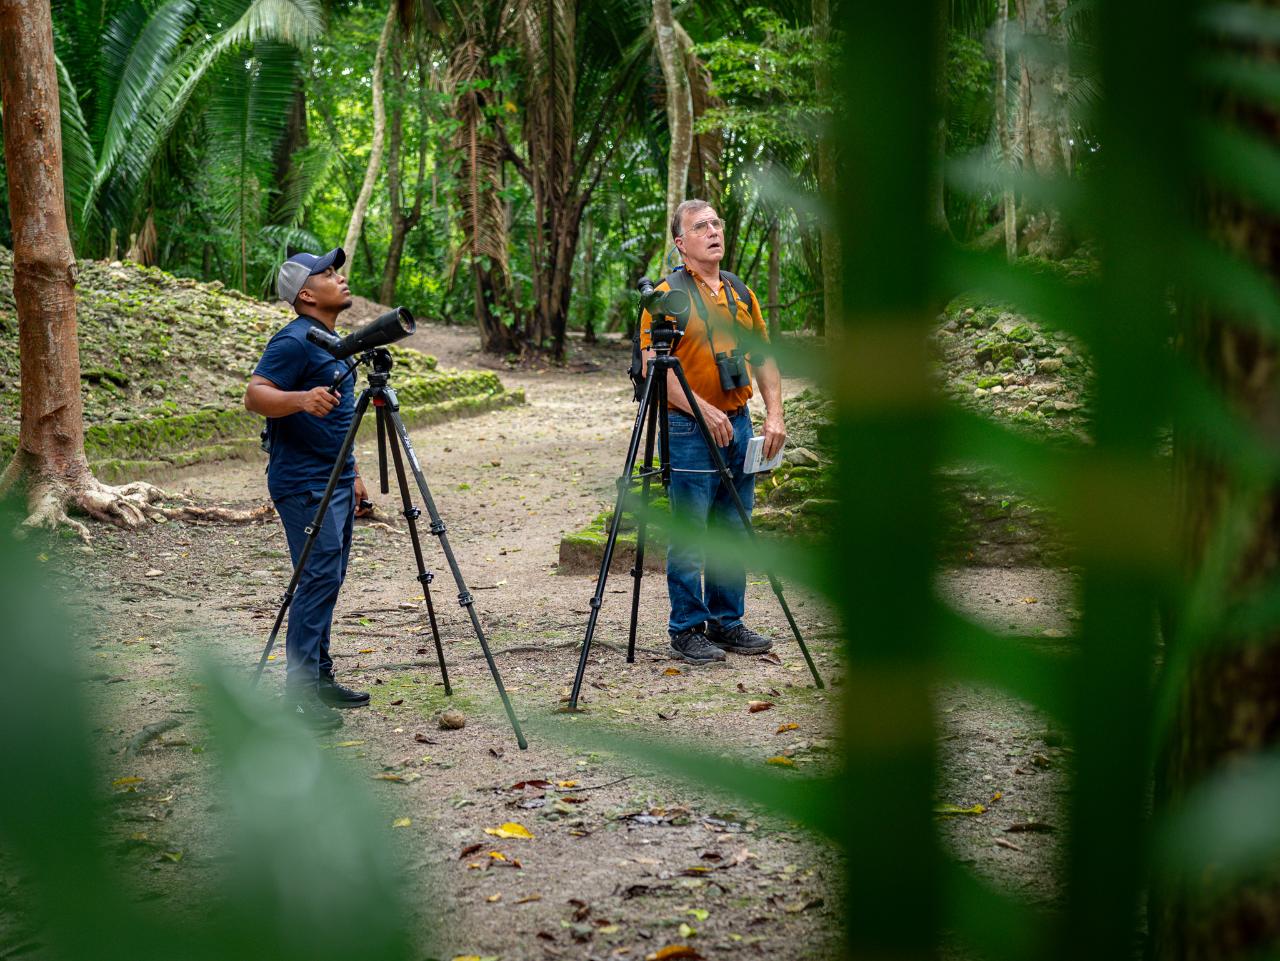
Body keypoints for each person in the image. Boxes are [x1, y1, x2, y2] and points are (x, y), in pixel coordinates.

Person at [639, 199, 787, 665]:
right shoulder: (666, 297)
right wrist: (703, 410)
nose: (713, 231)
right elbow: (653, 371)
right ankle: (686, 628)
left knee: (732, 529)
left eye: (716, 223)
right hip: (687, 428)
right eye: (700, 226)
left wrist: (775, 414)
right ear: (681, 244)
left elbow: (762, 357)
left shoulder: (740, 293)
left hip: (739, 423)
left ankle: (727, 622)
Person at [244, 248, 372, 731]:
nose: (340, 278)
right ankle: (297, 697)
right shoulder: (294, 340)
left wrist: (353, 472)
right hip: (302, 481)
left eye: (337, 271)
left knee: (329, 577)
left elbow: (339, 419)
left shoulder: (328, 340)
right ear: (305, 293)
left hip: (334, 477)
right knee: (317, 578)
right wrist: (299, 399)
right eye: (328, 273)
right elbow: (255, 394)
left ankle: (318, 678)